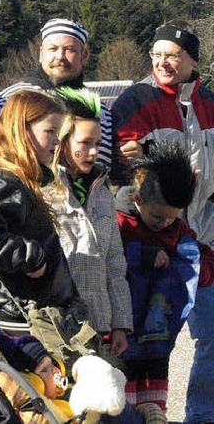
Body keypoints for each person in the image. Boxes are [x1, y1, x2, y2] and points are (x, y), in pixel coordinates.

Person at [111, 20, 214, 423]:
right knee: (142, 344)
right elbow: (116, 169)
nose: (163, 62)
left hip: (204, 237)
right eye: (157, 55)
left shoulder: (209, 101)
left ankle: (202, 415)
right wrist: (127, 157)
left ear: (191, 58)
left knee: (211, 339)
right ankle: (131, 417)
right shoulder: (135, 99)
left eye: (172, 55)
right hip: (153, 241)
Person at [0, 90, 77, 334]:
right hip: (15, 315)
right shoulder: (4, 180)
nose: (57, 141)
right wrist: (32, 257)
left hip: (27, 312)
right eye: (51, 131)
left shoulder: (20, 180)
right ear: (22, 130)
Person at [115, 142, 212, 412]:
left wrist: (194, 268)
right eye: (158, 216)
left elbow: (201, 262)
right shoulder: (120, 223)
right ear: (138, 199)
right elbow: (112, 256)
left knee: (153, 389)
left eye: (172, 218)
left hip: (157, 332)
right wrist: (143, 253)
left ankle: (153, 414)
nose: (164, 224)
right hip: (123, 324)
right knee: (120, 387)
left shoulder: (177, 231)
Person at [45, 87, 132, 360]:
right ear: (63, 139)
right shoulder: (44, 189)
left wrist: (120, 324)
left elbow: (115, 264)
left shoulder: (103, 193)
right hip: (56, 323)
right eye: (85, 143)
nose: (94, 151)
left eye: (98, 143)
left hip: (100, 326)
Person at [0, 18, 112, 168]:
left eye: (69, 49)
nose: (60, 56)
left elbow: (107, 168)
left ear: (84, 56)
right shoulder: (10, 98)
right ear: (41, 53)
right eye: (53, 49)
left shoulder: (99, 110)